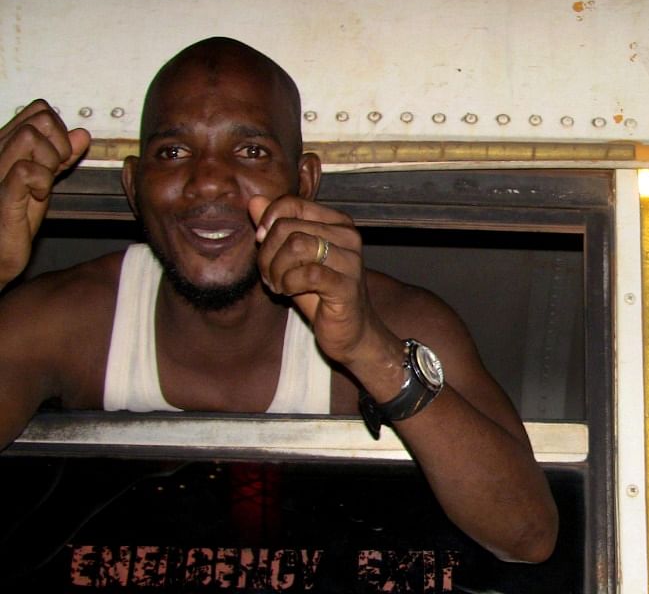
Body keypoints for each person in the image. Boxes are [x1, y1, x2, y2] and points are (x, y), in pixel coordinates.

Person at [0, 37, 557, 563]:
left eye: (250, 150)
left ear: (304, 181)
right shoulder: (68, 323)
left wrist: (370, 352)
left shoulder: (396, 320)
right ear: (132, 187)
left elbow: (528, 534)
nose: (210, 181)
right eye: (172, 151)